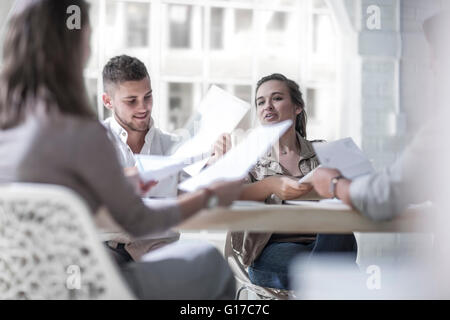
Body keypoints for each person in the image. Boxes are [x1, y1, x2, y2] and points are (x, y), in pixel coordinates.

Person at [0, 0, 242, 300]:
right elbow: (140, 221)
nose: (88, 48)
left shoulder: (10, 124)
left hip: (25, 286)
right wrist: (210, 196)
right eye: (86, 38)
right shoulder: (81, 131)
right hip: (91, 284)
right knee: (211, 263)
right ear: (73, 47)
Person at [231, 74, 357, 290]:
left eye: (276, 98)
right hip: (273, 248)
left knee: (336, 222)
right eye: (261, 102)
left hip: (326, 242)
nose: (267, 106)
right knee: (341, 277)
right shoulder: (248, 158)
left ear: (297, 107)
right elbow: (230, 197)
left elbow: (353, 198)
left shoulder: (323, 153)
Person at [101, 55, 183, 262]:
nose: (143, 107)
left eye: (148, 97)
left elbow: (199, 193)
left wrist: (215, 166)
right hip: (109, 249)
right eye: (131, 101)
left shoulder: (174, 146)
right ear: (108, 101)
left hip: (160, 249)